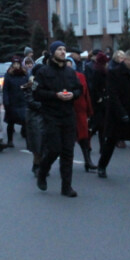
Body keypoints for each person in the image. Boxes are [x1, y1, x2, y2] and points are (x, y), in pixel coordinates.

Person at [34, 41, 83, 197]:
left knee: (68, 152)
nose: (63, 52)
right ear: (53, 52)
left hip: (68, 115)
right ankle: (42, 170)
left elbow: (78, 89)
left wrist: (72, 95)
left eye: (64, 49)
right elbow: (36, 93)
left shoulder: (70, 72)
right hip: (51, 115)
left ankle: (66, 187)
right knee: (54, 149)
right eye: (59, 49)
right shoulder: (43, 72)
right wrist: (55, 95)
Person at [97, 50, 130, 181]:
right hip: (117, 116)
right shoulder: (114, 73)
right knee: (110, 142)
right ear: (125, 60)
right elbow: (113, 96)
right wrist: (121, 113)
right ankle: (102, 166)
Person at [68, 57, 96, 172]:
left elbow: (86, 94)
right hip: (67, 111)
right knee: (68, 139)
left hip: (81, 111)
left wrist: (89, 111)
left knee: (84, 137)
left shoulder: (81, 77)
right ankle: (66, 163)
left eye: (70, 65)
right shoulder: (61, 78)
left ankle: (87, 161)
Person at [2, 61, 29, 148]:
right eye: (15, 65)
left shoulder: (24, 75)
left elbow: (28, 86)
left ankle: (28, 142)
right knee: (11, 122)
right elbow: (5, 89)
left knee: (26, 122)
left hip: (23, 101)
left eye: (18, 64)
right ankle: (10, 140)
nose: (16, 66)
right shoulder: (8, 76)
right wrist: (6, 101)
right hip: (12, 102)